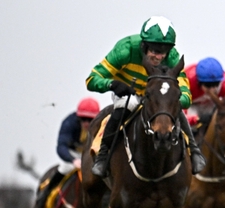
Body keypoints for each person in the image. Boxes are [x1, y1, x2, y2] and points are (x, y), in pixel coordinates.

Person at [85, 16, 206, 177]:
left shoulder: (172, 57)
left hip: (156, 97)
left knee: (171, 108)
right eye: (155, 50)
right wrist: (112, 85)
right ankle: (103, 156)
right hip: (129, 93)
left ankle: (195, 151)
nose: (158, 57)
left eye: (163, 52)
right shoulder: (125, 50)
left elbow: (186, 96)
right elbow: (92, 79)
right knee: (128, 105)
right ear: (144, 45)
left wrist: (175, 100)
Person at [38, 97, 100, 204]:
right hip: (74, 154)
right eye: (83, 119)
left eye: (90, 120)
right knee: (65, 168)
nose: (86, 123)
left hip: (92, 153)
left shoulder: (102, 123)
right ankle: (46, 193)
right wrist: (72, 160)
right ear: (78, 117)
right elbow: (61, 146)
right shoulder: (69, 123)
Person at [184, 57, 225, 127]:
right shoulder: (187, 81)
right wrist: (197, 119)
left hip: (211, 104)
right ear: (198, 82)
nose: (212, 90)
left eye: (216, 84)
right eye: (208, 85)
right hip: (190, 106)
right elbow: (180, 116)